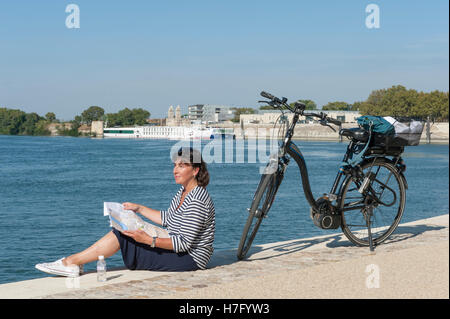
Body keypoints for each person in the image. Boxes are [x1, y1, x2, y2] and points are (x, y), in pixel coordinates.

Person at [35, 147, 215, 277]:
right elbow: (168, 219)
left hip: (190, 259)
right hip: (179, 248)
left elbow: (184, 243)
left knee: (122, 236)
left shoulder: (197, 199)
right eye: (175, 165)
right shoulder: (183, 192)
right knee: (125, 229)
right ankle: (75, 262)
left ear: (195, 170)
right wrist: (139, 209)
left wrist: (149, 240)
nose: (175, 170)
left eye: (182, 166)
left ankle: (70, 263)